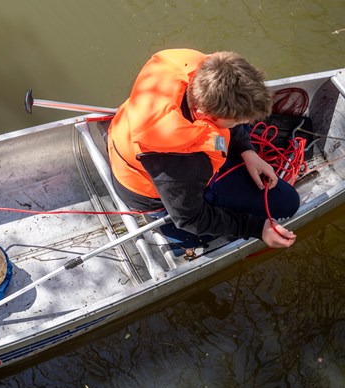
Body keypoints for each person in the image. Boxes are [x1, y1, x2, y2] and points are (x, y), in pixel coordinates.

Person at [106, 49, 300, 249]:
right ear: (203, 114)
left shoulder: (197, 73)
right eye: (237, 121)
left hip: (134, 149)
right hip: (156, 193)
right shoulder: (183, 160)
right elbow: (190, 218)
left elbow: (220, 128)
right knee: (287, 202)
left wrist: (247, 150)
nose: (244, 123)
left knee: (235, 130)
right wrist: (257, 228)